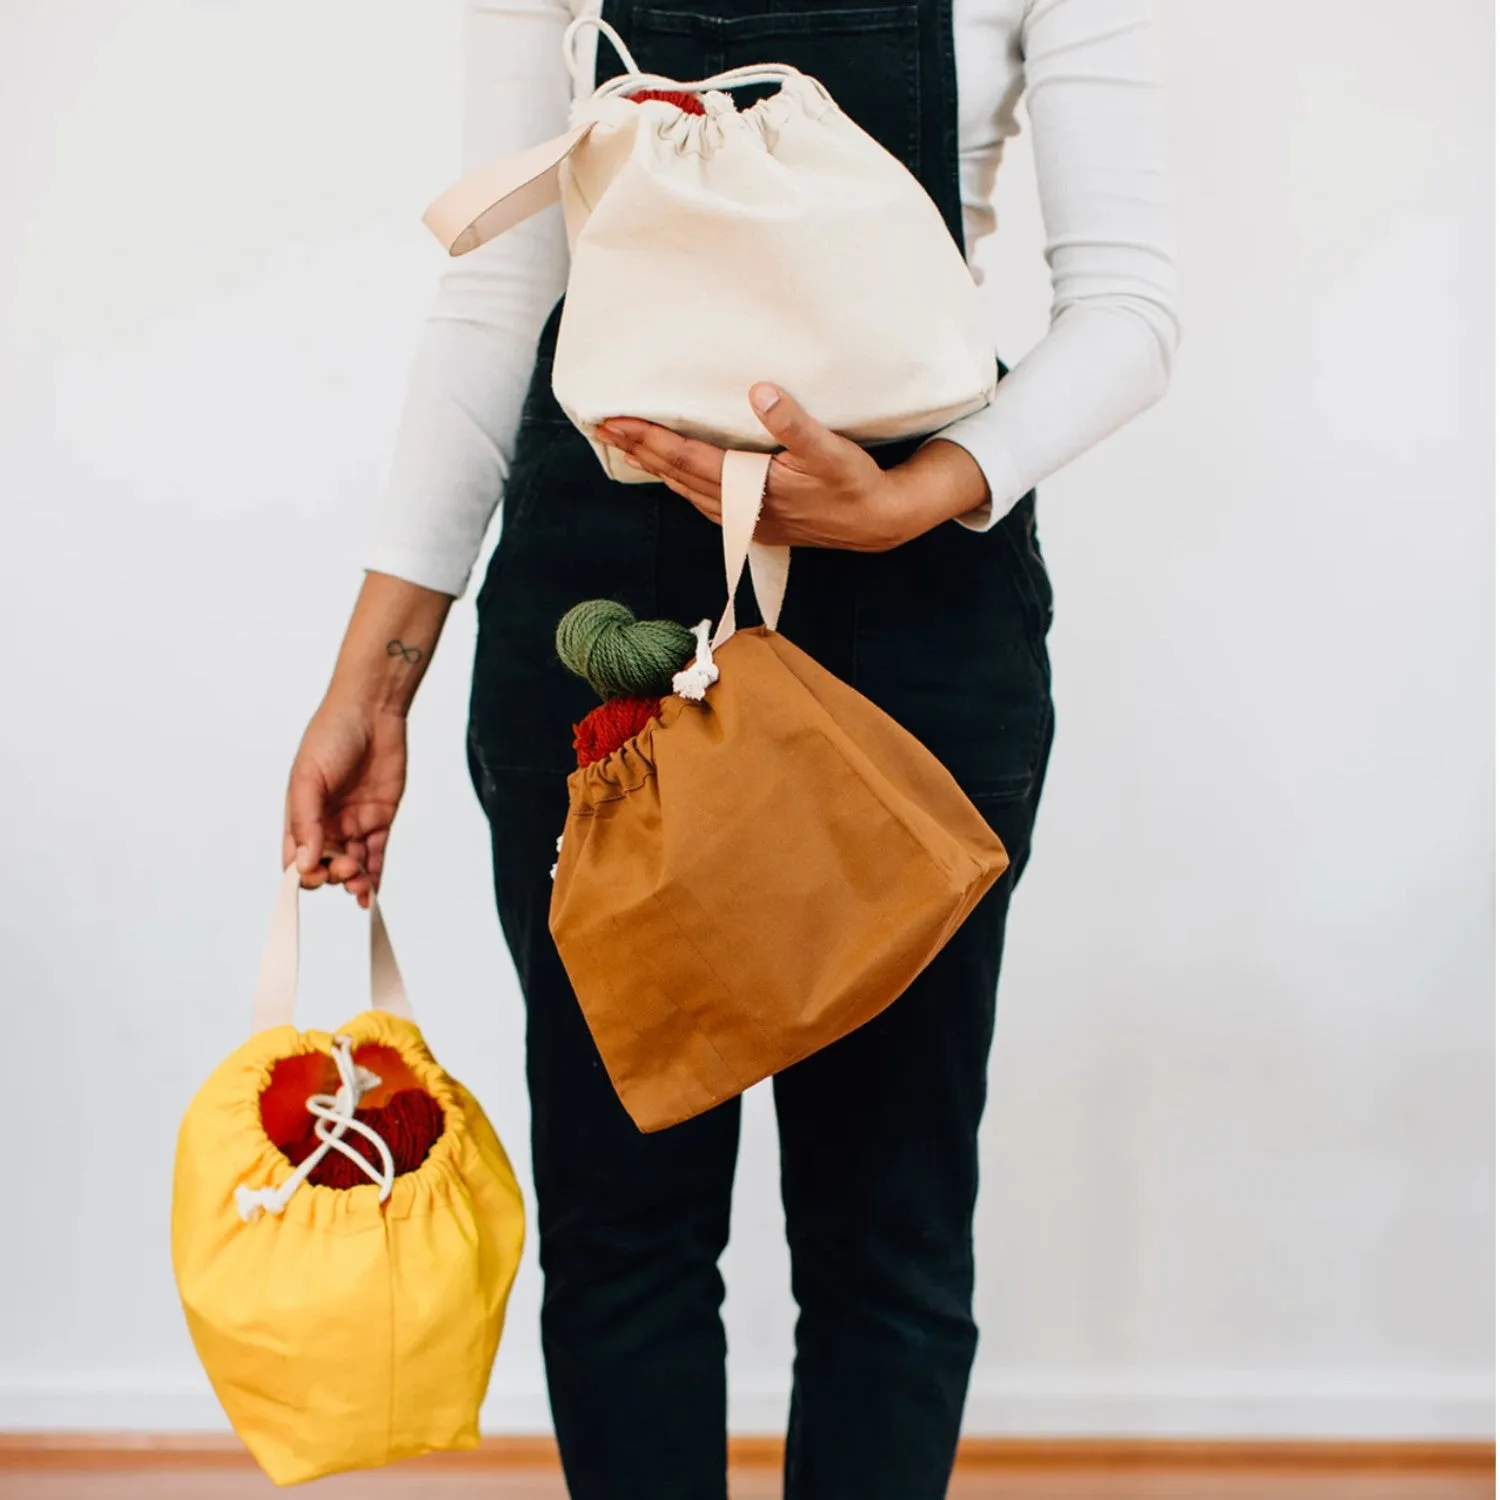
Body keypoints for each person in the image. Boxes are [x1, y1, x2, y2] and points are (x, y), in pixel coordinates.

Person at [283, 0, 1178, 1494]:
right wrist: (377, 680)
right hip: (596, 631)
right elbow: (497, 296)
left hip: (919, 616)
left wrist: (924, 490)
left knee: (885, 1234)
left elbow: (1132, 307)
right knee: (623, 1223)